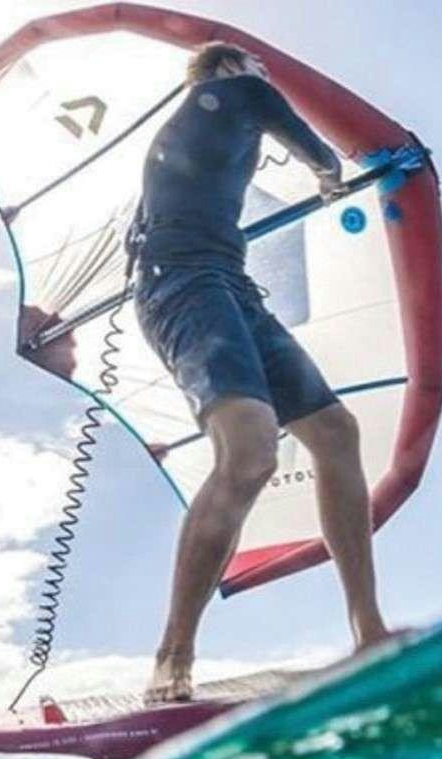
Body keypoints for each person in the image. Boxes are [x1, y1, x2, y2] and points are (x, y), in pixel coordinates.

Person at [133, 42, 394, 703]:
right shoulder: (231, 92)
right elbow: (304, 135)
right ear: (228, 69)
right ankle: (174, 654)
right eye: (259, 71)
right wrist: (328, 171)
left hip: (231, 284)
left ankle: (369, 631)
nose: (267, 80)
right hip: (183, 283)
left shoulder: (207, 131)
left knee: (336, 432)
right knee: (250, 451)